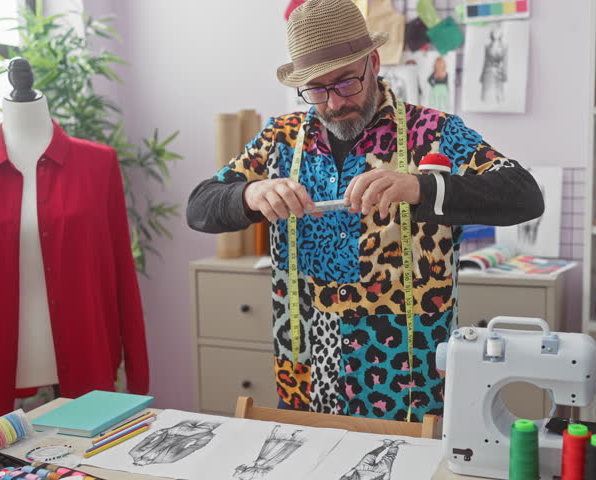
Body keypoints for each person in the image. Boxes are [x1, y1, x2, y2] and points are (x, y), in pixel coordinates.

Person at [187, 0, 543, 421]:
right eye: (316, 90)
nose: (334, 103)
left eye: (345, 83)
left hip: (410, 375)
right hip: (305, 371)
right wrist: (250, 195)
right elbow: (199, 206)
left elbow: (525, 194)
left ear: (373, 63)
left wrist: (421, 186)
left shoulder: (434, 132)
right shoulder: (280, 139)